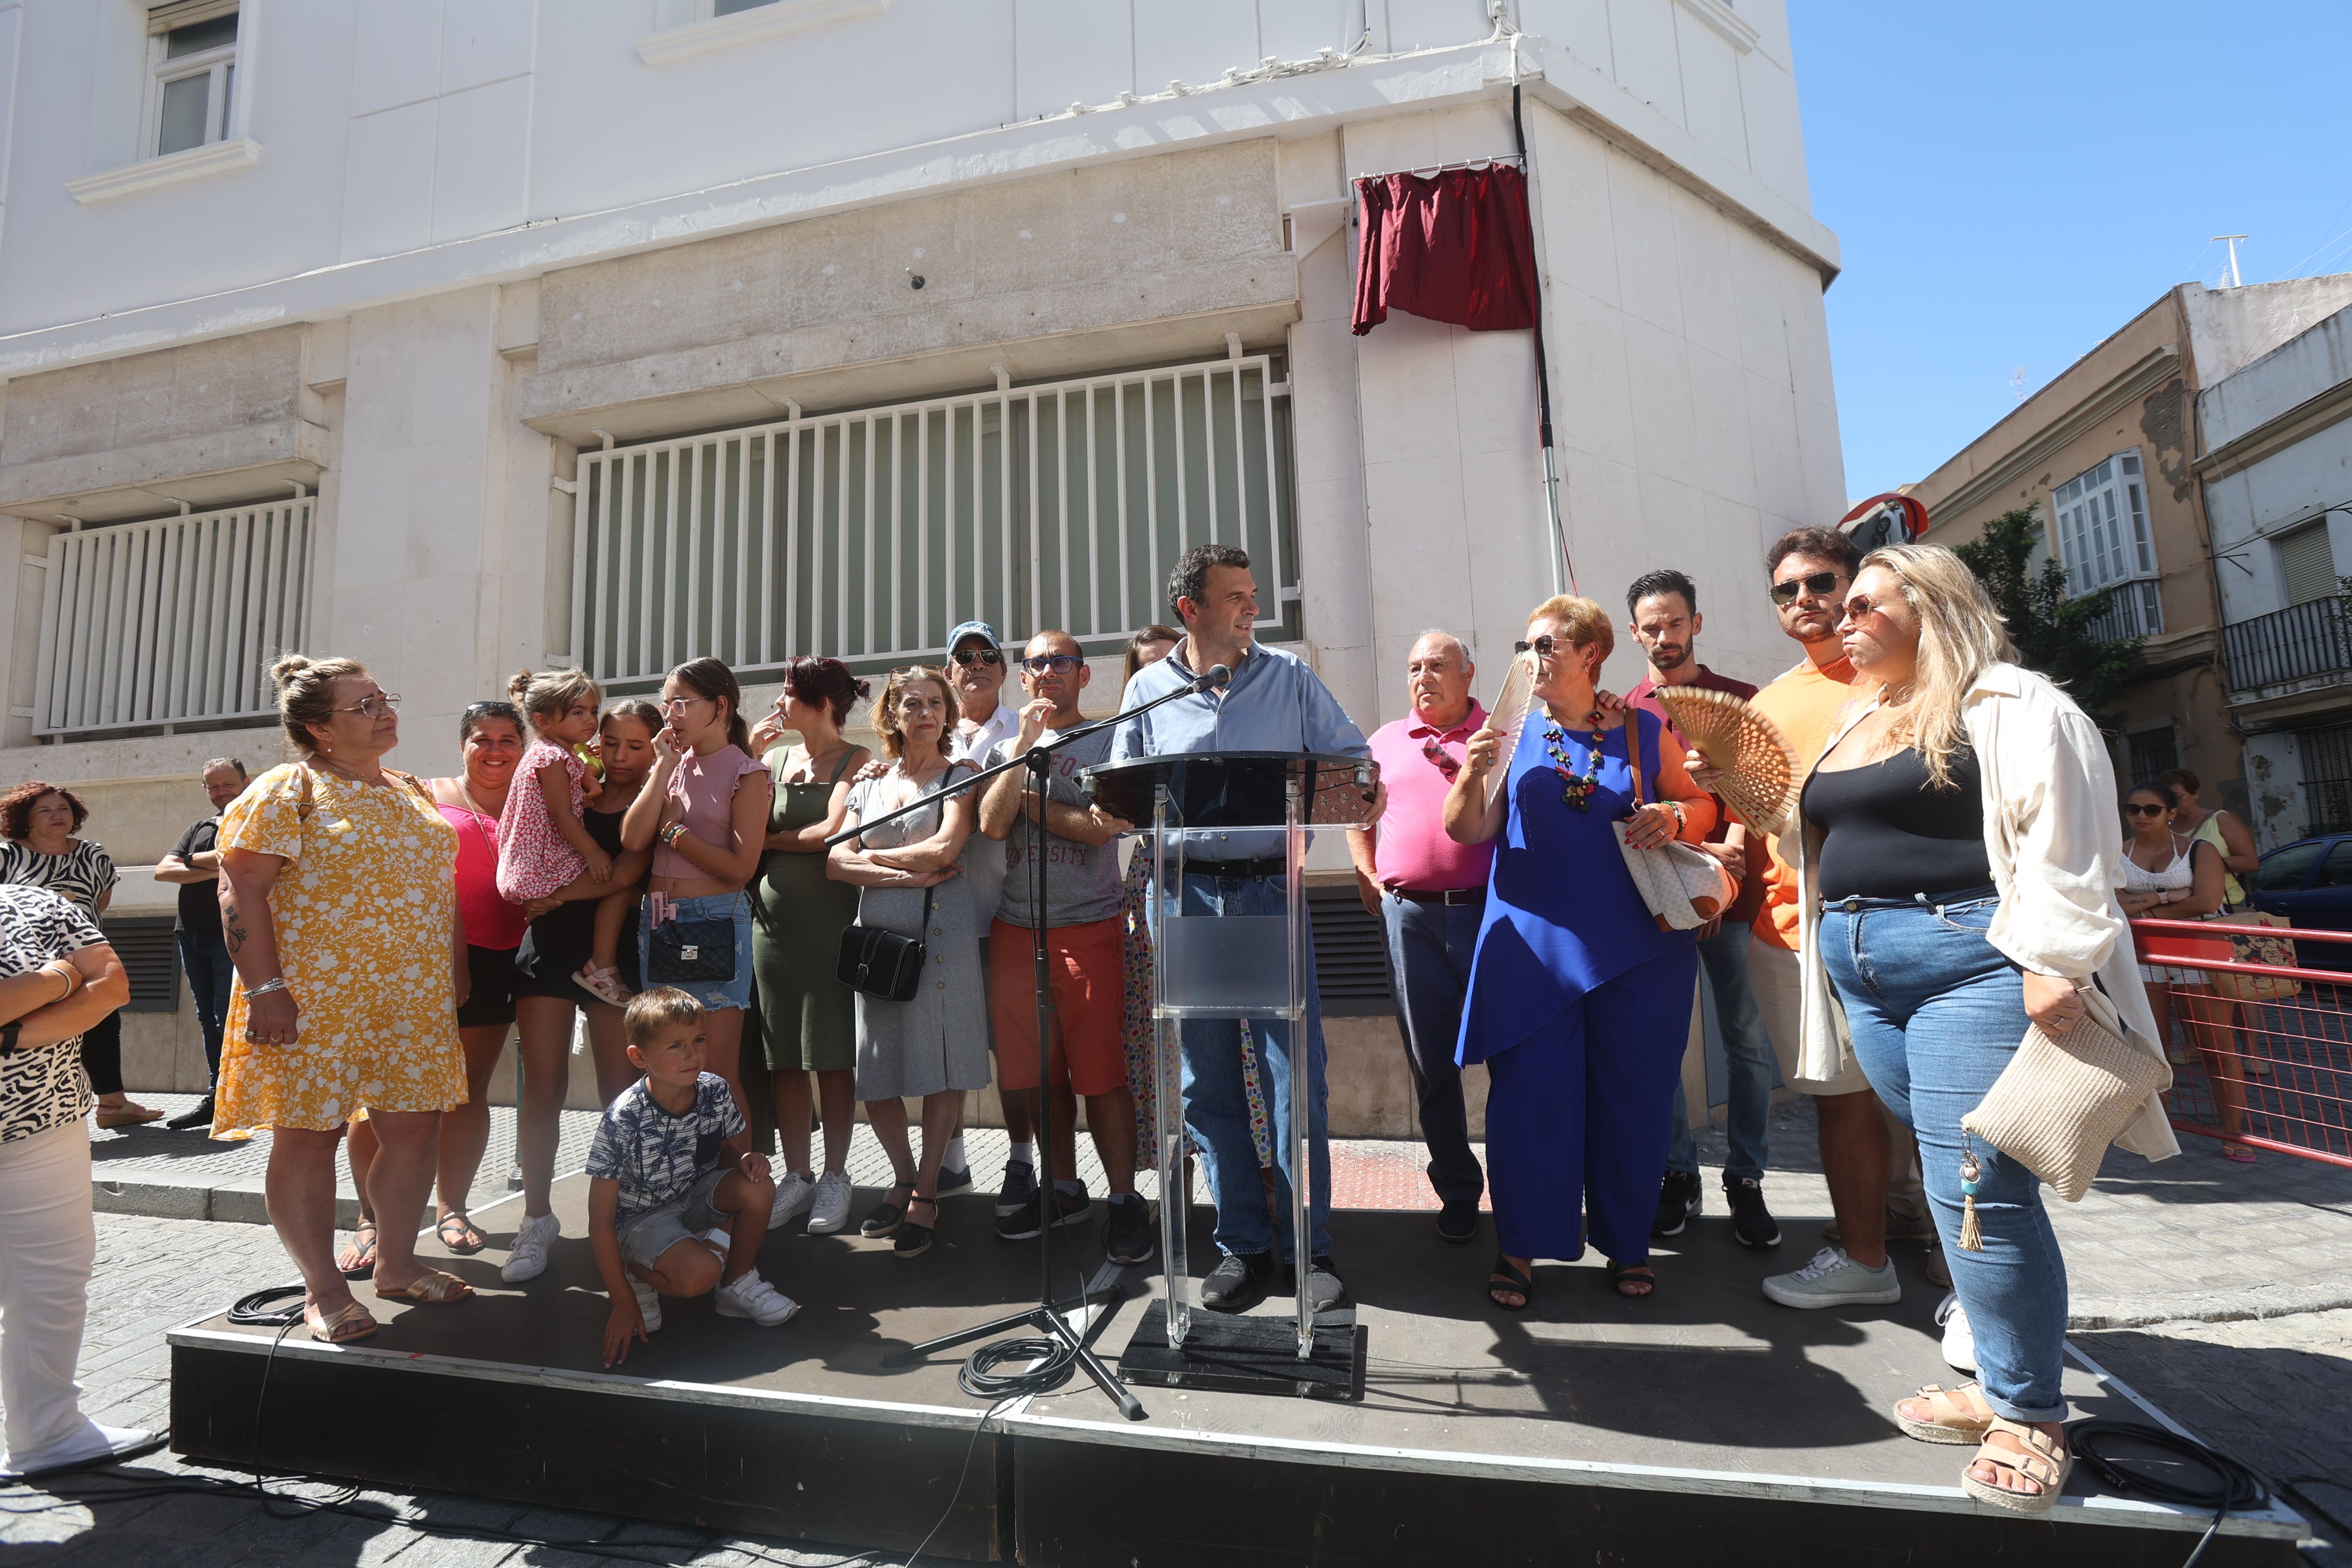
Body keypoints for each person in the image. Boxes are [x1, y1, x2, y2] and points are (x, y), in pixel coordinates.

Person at [1794, 542, 2176, 1514]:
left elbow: (2066, 832)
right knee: (1948, 1177)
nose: (1843, 618)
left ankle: (2030, 1416)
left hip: (1968, 959)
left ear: (1930, 605)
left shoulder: (2011, 703)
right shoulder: (1860, 714)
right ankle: (2001, 1379)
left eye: (1866, 604)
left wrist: (2052, 963)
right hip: (1865, 971)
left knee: (1984, 1190)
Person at [1109, 543, 1376, 1313]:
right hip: (1185, 899)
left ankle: (1307, 1250)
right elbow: (1123, 791)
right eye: (1235, 595)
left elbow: (1351, 762)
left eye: (1255, 592)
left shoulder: (1290, 677)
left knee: (1295, 1081)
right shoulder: (1148, 689)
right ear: (1190, 610)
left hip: (1266, 896)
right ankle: (1242, 1245)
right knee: (1208, 1082)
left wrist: (1363, 790)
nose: (1253, 606)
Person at [1445, 596, 1716, 1311]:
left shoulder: (1642, 727)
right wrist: (1473, 773)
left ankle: (1628, 1243)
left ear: (1591, 650)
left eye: (1546, 644)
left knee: (1633, 1098)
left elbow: (1702, 807)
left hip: (1640, 945)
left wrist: (1674, 813)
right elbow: (1467, 828)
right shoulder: (1505, 731)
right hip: (1533, 951)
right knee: (1527, 1103)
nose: (1532, 656)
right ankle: (1519, 1247)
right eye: (1525, 642)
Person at [216, 656, 474, 1344]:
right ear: (318, 729)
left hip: (410, 999)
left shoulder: (409, 787)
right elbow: (240, 891)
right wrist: (267, 990)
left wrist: (454, 968)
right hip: (313, 1001)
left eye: (383, 698)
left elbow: (437, 887)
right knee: (309, 1136)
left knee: (416, 1127)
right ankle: (324, 1287)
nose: (383, 711)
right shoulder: (286, 788)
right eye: (363, 706)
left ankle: (395, 1262)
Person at [1735, 527, 1935, 1311]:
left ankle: (1962, 1265)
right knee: (1843, 1097)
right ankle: (1864, 1252)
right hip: (1794, 929)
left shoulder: (1911, 678)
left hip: (1909, 918)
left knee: (1943, 1099)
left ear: (1857, 588)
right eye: (1787, 590)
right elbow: (1759, 821)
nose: (1805, 601)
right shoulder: (1770, 701)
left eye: (1820, 582)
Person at [976, 631, 1152, 1263]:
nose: (1048, 670)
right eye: (1037, 663)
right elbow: (992, 823)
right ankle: (1063, 1185)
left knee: (1101, 1073)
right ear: (1023, 679)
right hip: (1016, 930)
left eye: (1061, 661)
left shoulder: (1110, 741)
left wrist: (1028, 797)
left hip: (1089, 927)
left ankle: (1126, 1199)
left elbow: (1103, 828)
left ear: (1083, 676)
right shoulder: (1007, 746)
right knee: (1040, 1073)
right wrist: (1024, 750)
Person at [1618, 571, 1779, 1249]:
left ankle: (1745, 1178)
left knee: (1744, 1041)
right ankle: (1677, 1173)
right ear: (1634, 633)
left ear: (1696, 623)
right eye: (1650, 626)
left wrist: (1728, 856)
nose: (1663, 635)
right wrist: (1696, 864)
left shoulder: (1740, 699)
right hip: (1663, 897)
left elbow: (1760, 791)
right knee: (1666, 1042)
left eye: (1674, 623)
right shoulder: (1624, 710)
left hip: (1737, 898)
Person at [342, 700, 532, 1276]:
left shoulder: (539, 798)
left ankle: (452, 1207)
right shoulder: (422, 793)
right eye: (482, 739)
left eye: (506, 739)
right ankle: (370, 1219)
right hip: (422, 958)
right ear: (462, 744)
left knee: (467, 1091)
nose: (494, 750)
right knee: (384, 1091)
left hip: (504, 956)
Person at [828, 666, 986, 1259]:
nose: (925, 712)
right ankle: (899, 1178)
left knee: (941, 1065)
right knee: (879, 1069)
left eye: (935, 703)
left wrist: (875, 857)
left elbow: (948, 847)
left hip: (941, 935)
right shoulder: (868, 782)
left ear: (947, 714)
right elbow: (836, 862)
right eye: (912, 703)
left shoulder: (960, 776)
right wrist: (906, 870)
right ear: (892, 714)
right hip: (877, 940)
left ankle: (927, 1190)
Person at [502, 700, 661, 1284]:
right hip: (546, 946)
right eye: (610, 742)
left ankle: (626, 1214)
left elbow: (623, 876)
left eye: (635, 746)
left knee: (619, 1095)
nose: (619, 755)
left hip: (608, 956)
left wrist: (555, 896)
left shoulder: (654, 799)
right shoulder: (576, 782)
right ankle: (536, 1217)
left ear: (655, 748)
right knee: (541, 1089)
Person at [1348, 629, 1492, 1243]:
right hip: (1410, 919)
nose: (1423, 676)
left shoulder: (1500, 737)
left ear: (1469, 673)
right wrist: (1370, 876)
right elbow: (1357, 810)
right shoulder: (1384, 740)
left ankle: (1521, 1183)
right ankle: (1458, 1190)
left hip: (1491, 917)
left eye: (1437, 665)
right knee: (1431, 1063)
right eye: (1414, 667)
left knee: (1512, 1057)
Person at [0, 884, 142, 1479]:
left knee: (53, 1280)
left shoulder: (35, 902)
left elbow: (112, 984)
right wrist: (59, 979)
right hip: (39, 1118)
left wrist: (14, 1031)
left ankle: (48, 1432)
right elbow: (84, 982)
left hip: (44, 1122)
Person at [590, 987, 798, 1367]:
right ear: (639, 1057)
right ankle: (636, 1273)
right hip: (641, 1220)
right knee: (697, 1275)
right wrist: (621, 1302)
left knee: (759, 1187)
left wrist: (746, 1159)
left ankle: (736, 1283)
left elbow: (725, 1154)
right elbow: (601, 1221)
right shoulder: (624, 1118)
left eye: (699, 1040)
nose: (692, 1054)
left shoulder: (715, 1091)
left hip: (693, 1200)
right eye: (675, 1046)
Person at [620, 657, 772, 1141]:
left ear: (720, 705)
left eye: (682, 703)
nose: (671, 714)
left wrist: (675, 831)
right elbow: (632, 838)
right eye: (667, 704)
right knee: (666, 1073)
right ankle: (678, 1185)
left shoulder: (748, 773)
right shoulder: (669, 763)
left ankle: (740, 1187)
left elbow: (740, 870)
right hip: (660, 923)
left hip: (716, 920)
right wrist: (663, 765)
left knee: (718, 1072)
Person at [748, 657, 872, 1238]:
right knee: (784, 1057)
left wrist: (768, 842)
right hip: (771, 925)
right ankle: (796, 1176)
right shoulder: (769, 759)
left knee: (832, 1051)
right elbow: (736, 822)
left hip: (832, 920)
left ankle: (837, 1175)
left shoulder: (857, 758)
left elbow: (832, 832)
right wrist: (750, 750)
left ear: (821, 703)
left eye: (791, 693)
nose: (781, 702)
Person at [0, 784, 153, 1128]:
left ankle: (112, 1104)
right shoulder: (6, 856)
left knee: (102, 1019)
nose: (57, 815)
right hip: (27, 965)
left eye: (64, 809)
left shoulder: (93, 854)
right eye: (45, 810)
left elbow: (101, 902)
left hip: (86, 955)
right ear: (25, 818)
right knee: (35, 1025)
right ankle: (30, 1104)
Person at [2116, 779, 2246, 1158]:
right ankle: (2161, 1132)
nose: (2141, 816)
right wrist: (2169, 896)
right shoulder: (2116, 854)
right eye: (2133, 809)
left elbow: (2206, 899)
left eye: (2151, 809)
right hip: (2143, 957)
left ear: (2171, 813)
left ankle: (2234, 1134)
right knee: (2152, 1048)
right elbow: (2116, 904)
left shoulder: (2198, 849)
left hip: (2199, 956)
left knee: (2216, 1047)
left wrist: (2145, 909)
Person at [944, 620, 1021, 1209]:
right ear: (949, 671)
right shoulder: (927, 731)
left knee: (1012, 1049)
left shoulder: (1025, 730)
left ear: (1004, 667)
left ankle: (1021, 1162)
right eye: (963, 655)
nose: (975, 663)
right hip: (939, 920)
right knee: (943, 1045)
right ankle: (949, 1161)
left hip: (1007, 918)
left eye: (986, 654)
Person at [500, 669, 634, 1004]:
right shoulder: (553, 757)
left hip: (535, 864)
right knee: (620, 884)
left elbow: (574, 797)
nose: (590, 720)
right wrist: (593, 852)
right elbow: (562, 814)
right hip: (541, 865)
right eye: (578, 712)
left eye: (592, 711)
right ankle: (601, 965)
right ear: (542, 720)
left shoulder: (560, 754)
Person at [153, 758, 251, 1132]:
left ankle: (240, 1097)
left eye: (228, 784)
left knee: (232, 1019)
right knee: (208, 1019)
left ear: (246, 782)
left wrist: (191, 862)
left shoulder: (255, 821)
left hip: (234, 935)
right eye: (214, 787)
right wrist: (215, 864)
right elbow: (163, 871)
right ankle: (216, 1096)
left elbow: (243, 861)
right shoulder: (199, 827)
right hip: (190, 935)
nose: (222, 792)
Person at [1117, 625, 1182, 1175]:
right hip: (1149, 880)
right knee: (1161, 1043)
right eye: (1146, 670)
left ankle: (1264, 1193)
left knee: (1237, 1048)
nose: (1160, 677)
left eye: (1169, 663)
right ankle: (1174, 1190)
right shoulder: (1129, 734)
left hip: (1220, 878)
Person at [2157, 768, 2257, 910]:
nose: (2173, 803)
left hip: (2225, 905)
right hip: (2178, 907)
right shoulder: (2161, 828)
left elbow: (2250, 862)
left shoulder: (2220, 820)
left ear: (2196, 794)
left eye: (2179, 797)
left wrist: (2202, 864)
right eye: (2167, 798)